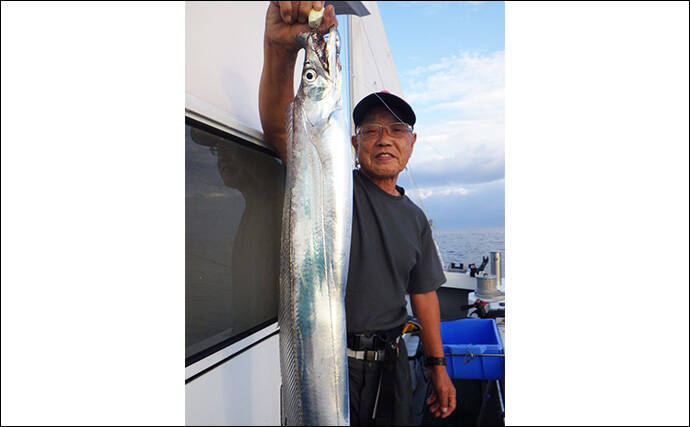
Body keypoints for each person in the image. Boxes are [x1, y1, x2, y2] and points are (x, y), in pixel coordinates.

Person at [259, 2, 456, 425]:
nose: (384, 139)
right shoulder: (330, 187)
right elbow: (280, 131)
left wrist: (438, 366)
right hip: (333, 361)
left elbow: (423, 294)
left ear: (412, 143)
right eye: (371, 130)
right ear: (353, 142)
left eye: (396, 130)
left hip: (393, 366)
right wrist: (280, 53)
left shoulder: (416, 219)